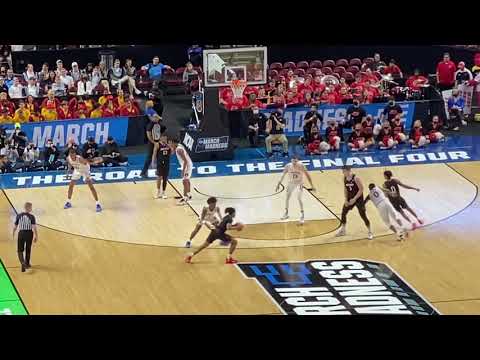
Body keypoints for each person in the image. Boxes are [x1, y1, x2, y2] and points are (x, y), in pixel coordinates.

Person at [276, 155, 315, 224]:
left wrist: (312, 185)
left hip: (299, 183)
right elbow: (283, 175)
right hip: (291, 183)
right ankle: (286, 213)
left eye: (296, 161)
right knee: (287, 198)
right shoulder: (288, 166)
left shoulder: (301, 165)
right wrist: (278, 184)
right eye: (293, 161)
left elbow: (307, 175)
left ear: (298, 160)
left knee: (299, 198)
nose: (294, 163)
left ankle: (302, 215)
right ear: (291, 160)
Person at [336, 165, 373, 239]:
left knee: (363, 215)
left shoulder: (356, 178)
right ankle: (343, 230)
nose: (343, 173)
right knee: (343, 213)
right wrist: (346, 199)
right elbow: (345, 189)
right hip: (350, 198)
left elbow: (361, 189)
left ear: (348, 170)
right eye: (342, 171)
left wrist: (355, 199)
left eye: (344, 171)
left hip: (358, 199)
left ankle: (370, 231)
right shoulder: (344, 178)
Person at [64, 147, 102, 212]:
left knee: (91, 187)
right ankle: (68, 202)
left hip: (85, 170)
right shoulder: (68, 158)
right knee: (71, 186)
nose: (72, 157)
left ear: (75, 154)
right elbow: (70, 164)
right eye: (71, 155)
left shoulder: (80, 159)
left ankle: (98, 204)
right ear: (69, 154)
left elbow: (87, 165)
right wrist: (68, 171)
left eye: (73, 155)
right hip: (77, 170)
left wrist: (87, 176)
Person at [12, 202, 38, 273]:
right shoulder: (32, 216)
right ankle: (27, 263)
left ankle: (22, 263)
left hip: (21, 233)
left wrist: (13, 233)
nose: (31, 209)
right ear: (29, 208)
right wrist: (36, 236)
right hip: (29, 233)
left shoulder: (19, 215)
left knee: (20, 249)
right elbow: (34, 227)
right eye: (31, 207)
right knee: (28, 249)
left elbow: (15, 226)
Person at [140, 106, 164, 178]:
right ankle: (143, 172)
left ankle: (158, 171)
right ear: (152, 118)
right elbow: (148, 136)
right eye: (155, 117)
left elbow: (160, 132)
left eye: (157, 117)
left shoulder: (158, 124)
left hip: (158, 141)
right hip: (152, 143)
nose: (157, 118)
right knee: (149, 157)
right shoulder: (150, 125)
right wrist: (154, 142)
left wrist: (159, 140)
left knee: (160, 157)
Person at [172, 138, 193, 205]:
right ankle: (188, 195)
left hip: (187, 165)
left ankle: (185, 198)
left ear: (174, 143)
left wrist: (183, 170)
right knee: (187, 180)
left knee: (184, 181)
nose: (171, 144)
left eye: (171, 143)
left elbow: (185, 161)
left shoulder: (179, 149)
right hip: (188, 164)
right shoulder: (179, 146)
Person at [153, 134, 171, 199]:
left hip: (167, 163)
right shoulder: (157, 144)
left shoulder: (168, 145)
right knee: (159, 178)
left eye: (166, 138)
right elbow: (154, 154)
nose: (165, 139)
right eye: (163, 138)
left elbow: (172, 153)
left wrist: (169, 146)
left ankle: (163, 192)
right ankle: (158, 192)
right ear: (160, 138)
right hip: (159, 163)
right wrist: (153, 163)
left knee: (165, 178)